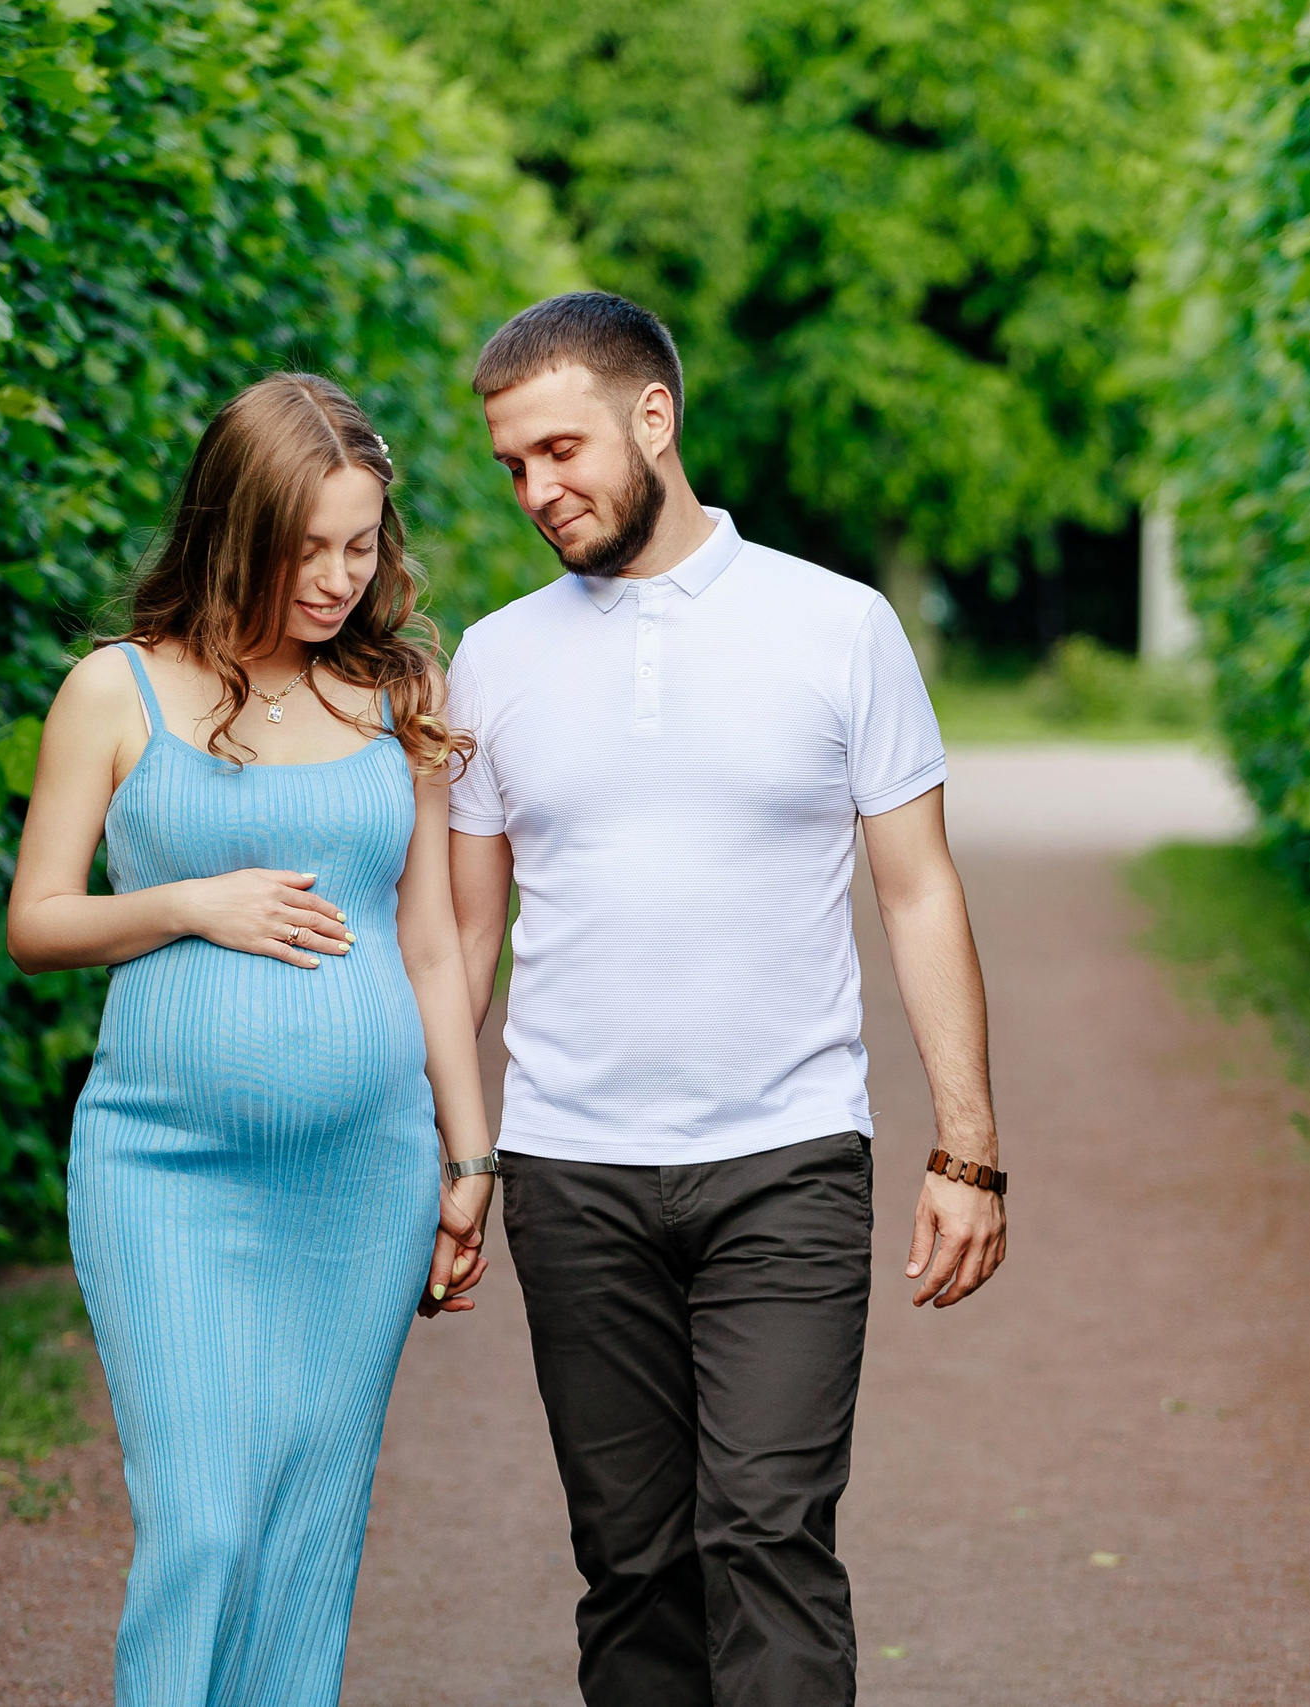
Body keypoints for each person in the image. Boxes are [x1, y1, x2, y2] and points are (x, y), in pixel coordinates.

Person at [447, 292, 1009, 1707]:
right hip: (572, 1172)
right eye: (513, 466)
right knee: (631, 1567)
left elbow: (921, 892)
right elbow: (463, 943)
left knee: (767, 1538)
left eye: (560, 451)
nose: (538, 490)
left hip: (789, 1161)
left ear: (656, 418)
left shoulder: (840, 626)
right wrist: (451, 1155)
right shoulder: (494, 659)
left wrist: (967, 1150)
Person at [4, 373, 498, 1707]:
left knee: (306, 1538)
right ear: (233, 532)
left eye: (363, 543)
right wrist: (185, 904)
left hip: (363, 1178)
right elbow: (37, 922)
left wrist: (470, 1162)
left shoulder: (403, 694)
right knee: (204, 1522)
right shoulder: (114, 694)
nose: (340, 578)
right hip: (164, 1169)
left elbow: (435, 945)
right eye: (308, 549)